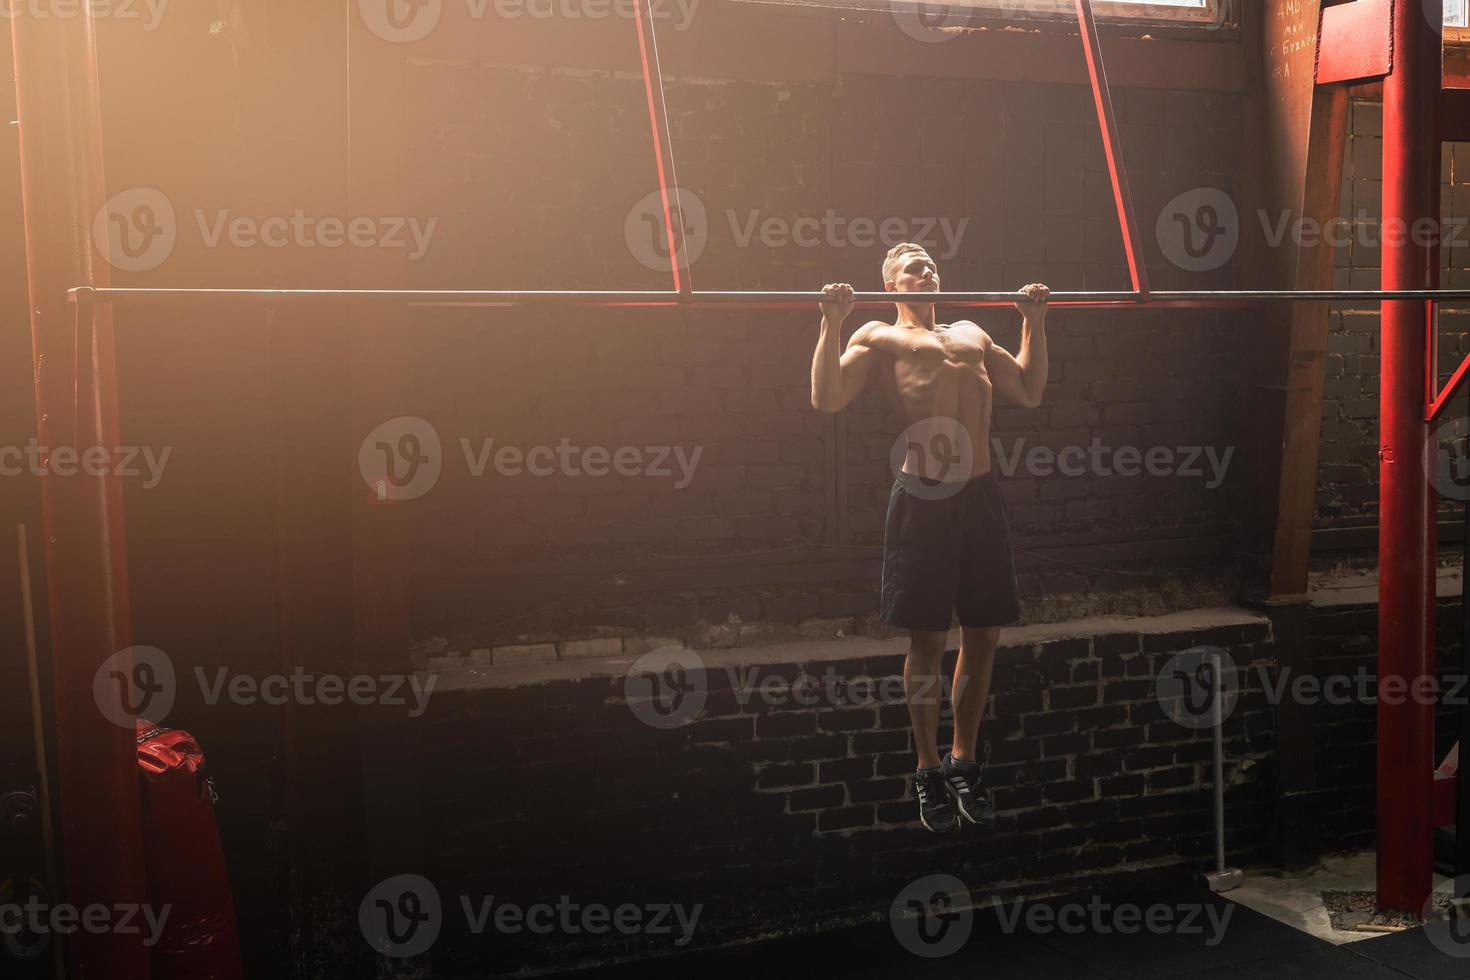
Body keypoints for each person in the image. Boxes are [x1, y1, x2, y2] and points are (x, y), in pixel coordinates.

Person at [809, 243, 1049, 833]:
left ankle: (964, 759)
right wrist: (829, 322)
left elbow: (1028, 390)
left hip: (980, 496)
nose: (925, 268)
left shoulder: (971, 332)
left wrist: (1034, 324)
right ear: (892, 286)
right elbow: (826, 397)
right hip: (924, 498)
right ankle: (926, 769)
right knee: (929, 641)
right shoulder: (878, 336)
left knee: (985, 634)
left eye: (930, 262)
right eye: (911, 265)